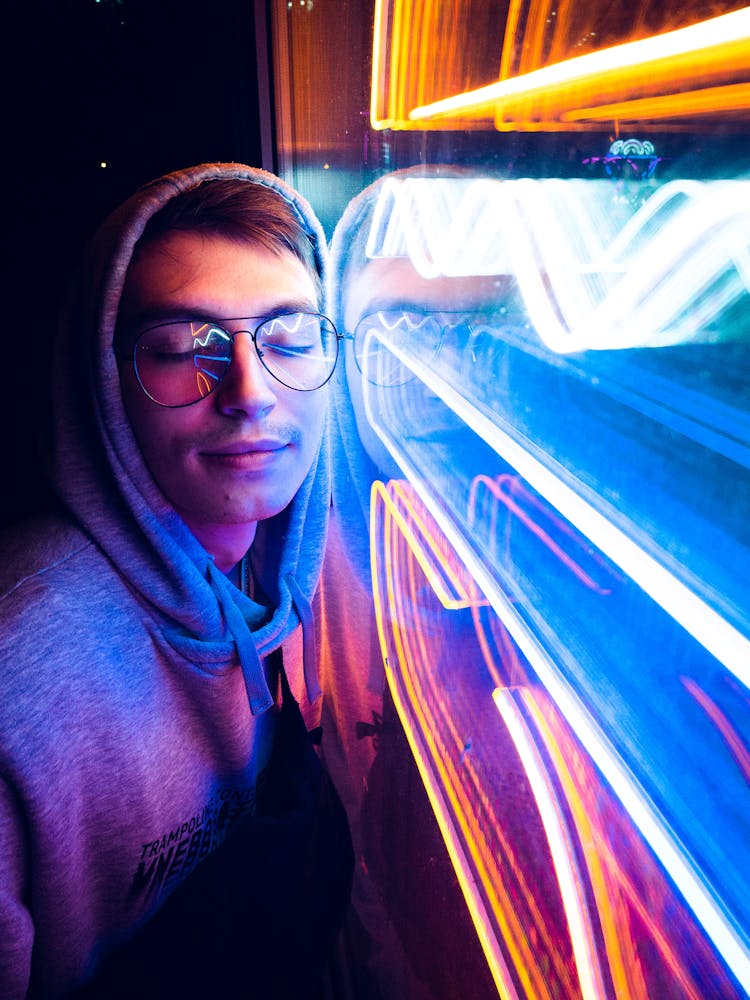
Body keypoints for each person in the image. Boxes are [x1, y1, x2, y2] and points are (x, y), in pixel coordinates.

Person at [0, 163, 353, 999]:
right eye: (181, 350)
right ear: (105, 386)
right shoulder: (21, 680)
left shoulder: (281, 573)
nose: (249, 393)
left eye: (291, 338)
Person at [316, 167, 506, 999]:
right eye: (399, 327)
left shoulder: (586, 582)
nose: (437, 369)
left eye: (479, 325)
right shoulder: (285, 583)